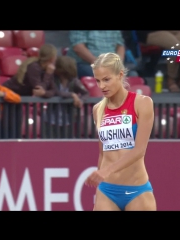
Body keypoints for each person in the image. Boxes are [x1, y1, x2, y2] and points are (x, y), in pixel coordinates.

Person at [84, 52, 156, 211]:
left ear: (120, 75)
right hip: (107, 190)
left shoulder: (142, 103)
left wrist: (105, 171)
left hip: (136, 190)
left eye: (106, 79)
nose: (102, 86)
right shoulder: (98, 110)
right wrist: (99, 180)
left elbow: (139, 150)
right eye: (98, 81)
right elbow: (103, 153)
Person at [2, 43, 57, 138]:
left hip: (19, 99)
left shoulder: (48, 69)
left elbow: (53, 90)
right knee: (8, 129)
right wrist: (47, 75)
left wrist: (45, 93)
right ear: (51, 58)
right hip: (8, 96)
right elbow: (38, 89)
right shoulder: (34, 67)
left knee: (16, 129)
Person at [45, 55, 89, 138]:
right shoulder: (53, 79)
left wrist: (81, 101)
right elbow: (57, 92)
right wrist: (72, 95)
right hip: (51, 118)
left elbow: (86, 93)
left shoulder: (74, 81)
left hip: (69, 119)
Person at [67, 31, 138, 79]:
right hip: (86, 63)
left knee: (133, 75)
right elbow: (78, 47)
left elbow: (120, 46)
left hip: (111, 66)